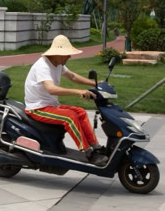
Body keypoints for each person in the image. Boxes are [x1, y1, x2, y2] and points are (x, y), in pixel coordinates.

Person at [24, 35, 105, 164]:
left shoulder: (57, 63)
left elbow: (72, 76)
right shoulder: (43, 66)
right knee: (70, 117)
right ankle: (88, 152)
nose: (69, 56)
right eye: (67, 54)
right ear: (58, 54)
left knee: (80, 112)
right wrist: (78, 91)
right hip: (37, 108)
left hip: (50, 105)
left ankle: (96, 146)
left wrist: (95, 84)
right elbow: (51, 89)